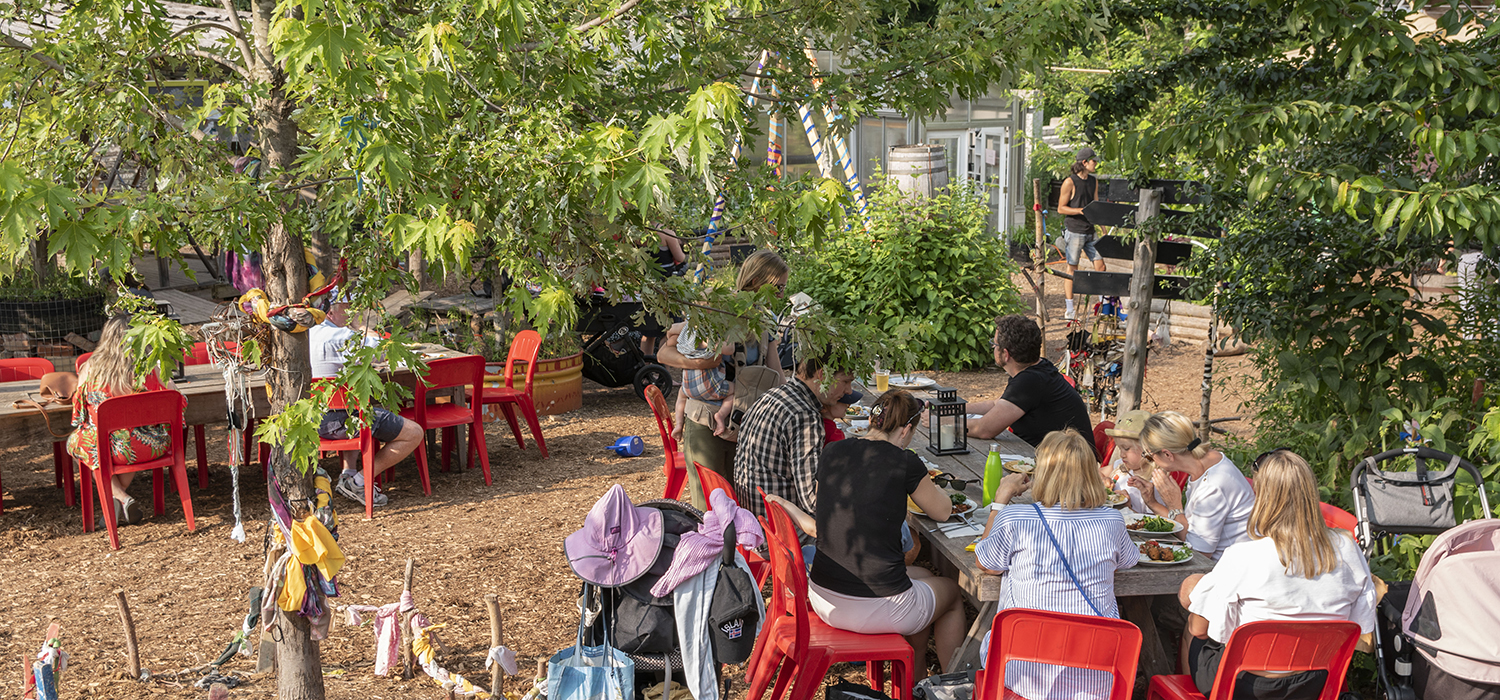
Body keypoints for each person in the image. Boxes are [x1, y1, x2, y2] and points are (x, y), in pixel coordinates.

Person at [787, 390, 967, 679]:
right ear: (906, 429)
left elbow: (826, 507)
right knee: (953, 593)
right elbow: (943, 511)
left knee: (919, 574)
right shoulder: (904, 461)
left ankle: (916, 676)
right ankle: (950, 685)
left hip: (823, 595)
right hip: (879, 606)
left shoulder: (832, 451)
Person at [1179, 450, 1376, 699]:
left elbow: (1200, 628)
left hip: (1246, 685)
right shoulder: (1348, 548)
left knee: (1192, 631)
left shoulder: (1243, 555)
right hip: (1316, 681)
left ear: (1262, 497)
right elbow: (1360, 624)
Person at [975, 429, 1139, 699]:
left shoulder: (1016, 518)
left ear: (1042, 472)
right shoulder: (1112, 520)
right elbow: (1129, 560)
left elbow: (986, 561)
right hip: (1096, 677)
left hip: (1024, 674)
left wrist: (1000, 502)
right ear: (1091, 473)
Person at [659, 250, 788, 508]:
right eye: (778, 287)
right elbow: (665, 351)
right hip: (706, 421)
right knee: (709, 507)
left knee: (741, 507)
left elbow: (776, 374)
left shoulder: (765, 320)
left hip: (744, 424)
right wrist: (701, 361)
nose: (782, 295)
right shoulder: (720, 309)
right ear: (756, 282)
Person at [67, 314, 186, 526]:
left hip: (109, 449)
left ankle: (120, 497)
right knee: (127, 440)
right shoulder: (150, 366)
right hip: (152, 446)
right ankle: (119, 499)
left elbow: (80, 416)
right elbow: (178, 400)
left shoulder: (89, 369)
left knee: (79, 442)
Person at [311, 296, 424, 507]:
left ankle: (348, 473)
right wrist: (361, 326)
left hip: (312, 420)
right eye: (348, 308)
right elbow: (384, 348)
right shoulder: (342, 336)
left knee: (356, 409)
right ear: (329, 312)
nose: (353, 312)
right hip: (343, 421)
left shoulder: (305, 335)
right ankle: (358, 481)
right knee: (414, 432)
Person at [731, 353, 852, 518]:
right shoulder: (805, 416)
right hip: (781, 530)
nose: (849, 391)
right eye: (846, 381)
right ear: (823, 375)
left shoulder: (772, 395)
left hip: (752, 520)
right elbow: (814, 502)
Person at [1130, 411, 1254, 560]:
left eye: (1150, 455)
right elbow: (1189, 528)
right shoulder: (1205, 462)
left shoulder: (1212, 486)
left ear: (1168, 454)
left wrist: (1174, 506)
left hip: (1225, 567)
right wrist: (1152, 502)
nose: (1152, 462)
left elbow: (1198, 552)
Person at [968, 315, 1095, 451]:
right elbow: (996, 404)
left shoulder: (1030, 381)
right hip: (1062, 460)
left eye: (994, 344)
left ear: (1006, 354)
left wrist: (944, 425)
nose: (993, 348)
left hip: (1065, 468)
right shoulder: (1038, 368)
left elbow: (983, 429)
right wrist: (953, 409)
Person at [1057, 146, 1106, 321]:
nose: (1096, 164)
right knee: (1072, 269)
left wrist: (1103, 228)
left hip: (1091, 231)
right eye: (1094, 161)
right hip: (1075, 230)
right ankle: (1070, 309)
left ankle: (1103, 305)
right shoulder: (1069, 182)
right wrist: (1080, 211)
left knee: (1101, 266)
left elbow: (1097, 205)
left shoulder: (1094, 181)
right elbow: (1061, 208)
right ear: (1084, 163)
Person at [1104, 410, 1168, 514]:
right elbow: (1096, 472)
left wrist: (1127, 508)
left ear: (1147, 448)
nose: (1122, 454)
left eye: (1126, 448)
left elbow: (1154, 523)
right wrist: (1104, 479)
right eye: (1120, 448)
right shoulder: (1122, 466)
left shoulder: (1155, 482)